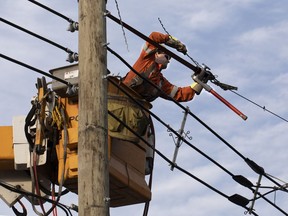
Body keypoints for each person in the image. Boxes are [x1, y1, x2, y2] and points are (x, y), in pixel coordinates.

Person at [122, 31, 203, 102]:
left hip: (136, 108)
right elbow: (154, 36)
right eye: (167, 57)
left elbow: (178, 94)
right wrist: (177, 44)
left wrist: (199, 83)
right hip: (120, 97)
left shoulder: (160, 82)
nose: (168, 61)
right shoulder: (146, 59)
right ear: (157, 54)